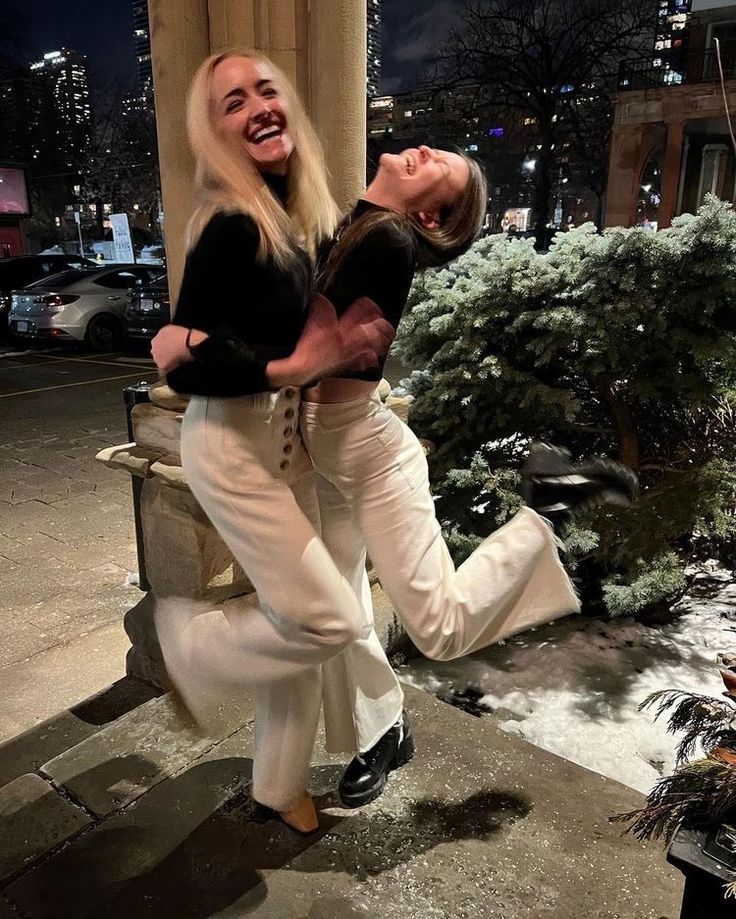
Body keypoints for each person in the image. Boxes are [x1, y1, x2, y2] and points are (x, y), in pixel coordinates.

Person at [155, 124, 637, 815]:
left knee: (438, 625)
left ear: (431, 214)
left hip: (369, 455)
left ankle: (546, 510)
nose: (425, 152)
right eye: (436, 149)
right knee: (340, 611)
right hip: (327, 458)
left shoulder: (386, 239)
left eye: (438, 166)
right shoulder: (353, 220)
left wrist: (210, 335)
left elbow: (303, 339)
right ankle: (385, 731)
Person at [151, 47, 398, 834]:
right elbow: (185, 362)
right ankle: (187, 644)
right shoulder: (230, 221)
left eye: (266, 90)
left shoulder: (289, 214)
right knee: (329, 619)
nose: (257, 105)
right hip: (231, 448)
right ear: (215, 133)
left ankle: (277, 785)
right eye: (232, 102)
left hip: (283, 449)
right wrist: (291, 362)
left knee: (299, 635)